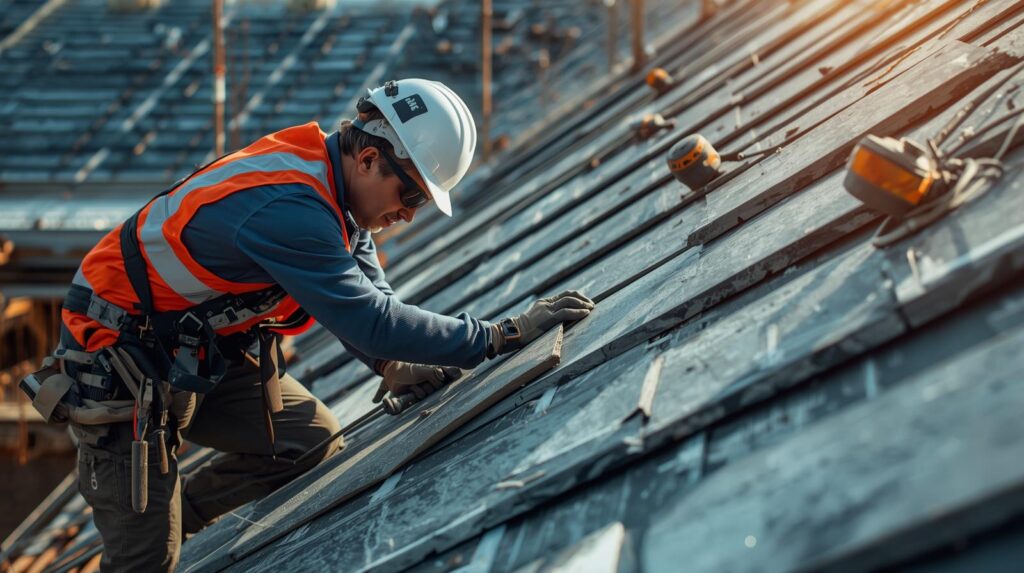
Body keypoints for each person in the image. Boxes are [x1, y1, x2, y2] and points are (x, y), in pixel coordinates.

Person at [21, 78, 593, 571]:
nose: (411, 213)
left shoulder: (336, 190)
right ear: (369, 159)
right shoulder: (290, 207)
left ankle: (174, 516)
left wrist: (391, 365)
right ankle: (152, 532)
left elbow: (371, 296)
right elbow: (374, 319)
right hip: (118, 360)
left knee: (306, 442)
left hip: (189, 348)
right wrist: (502, 336)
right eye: (411, 192)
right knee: (146, 562)